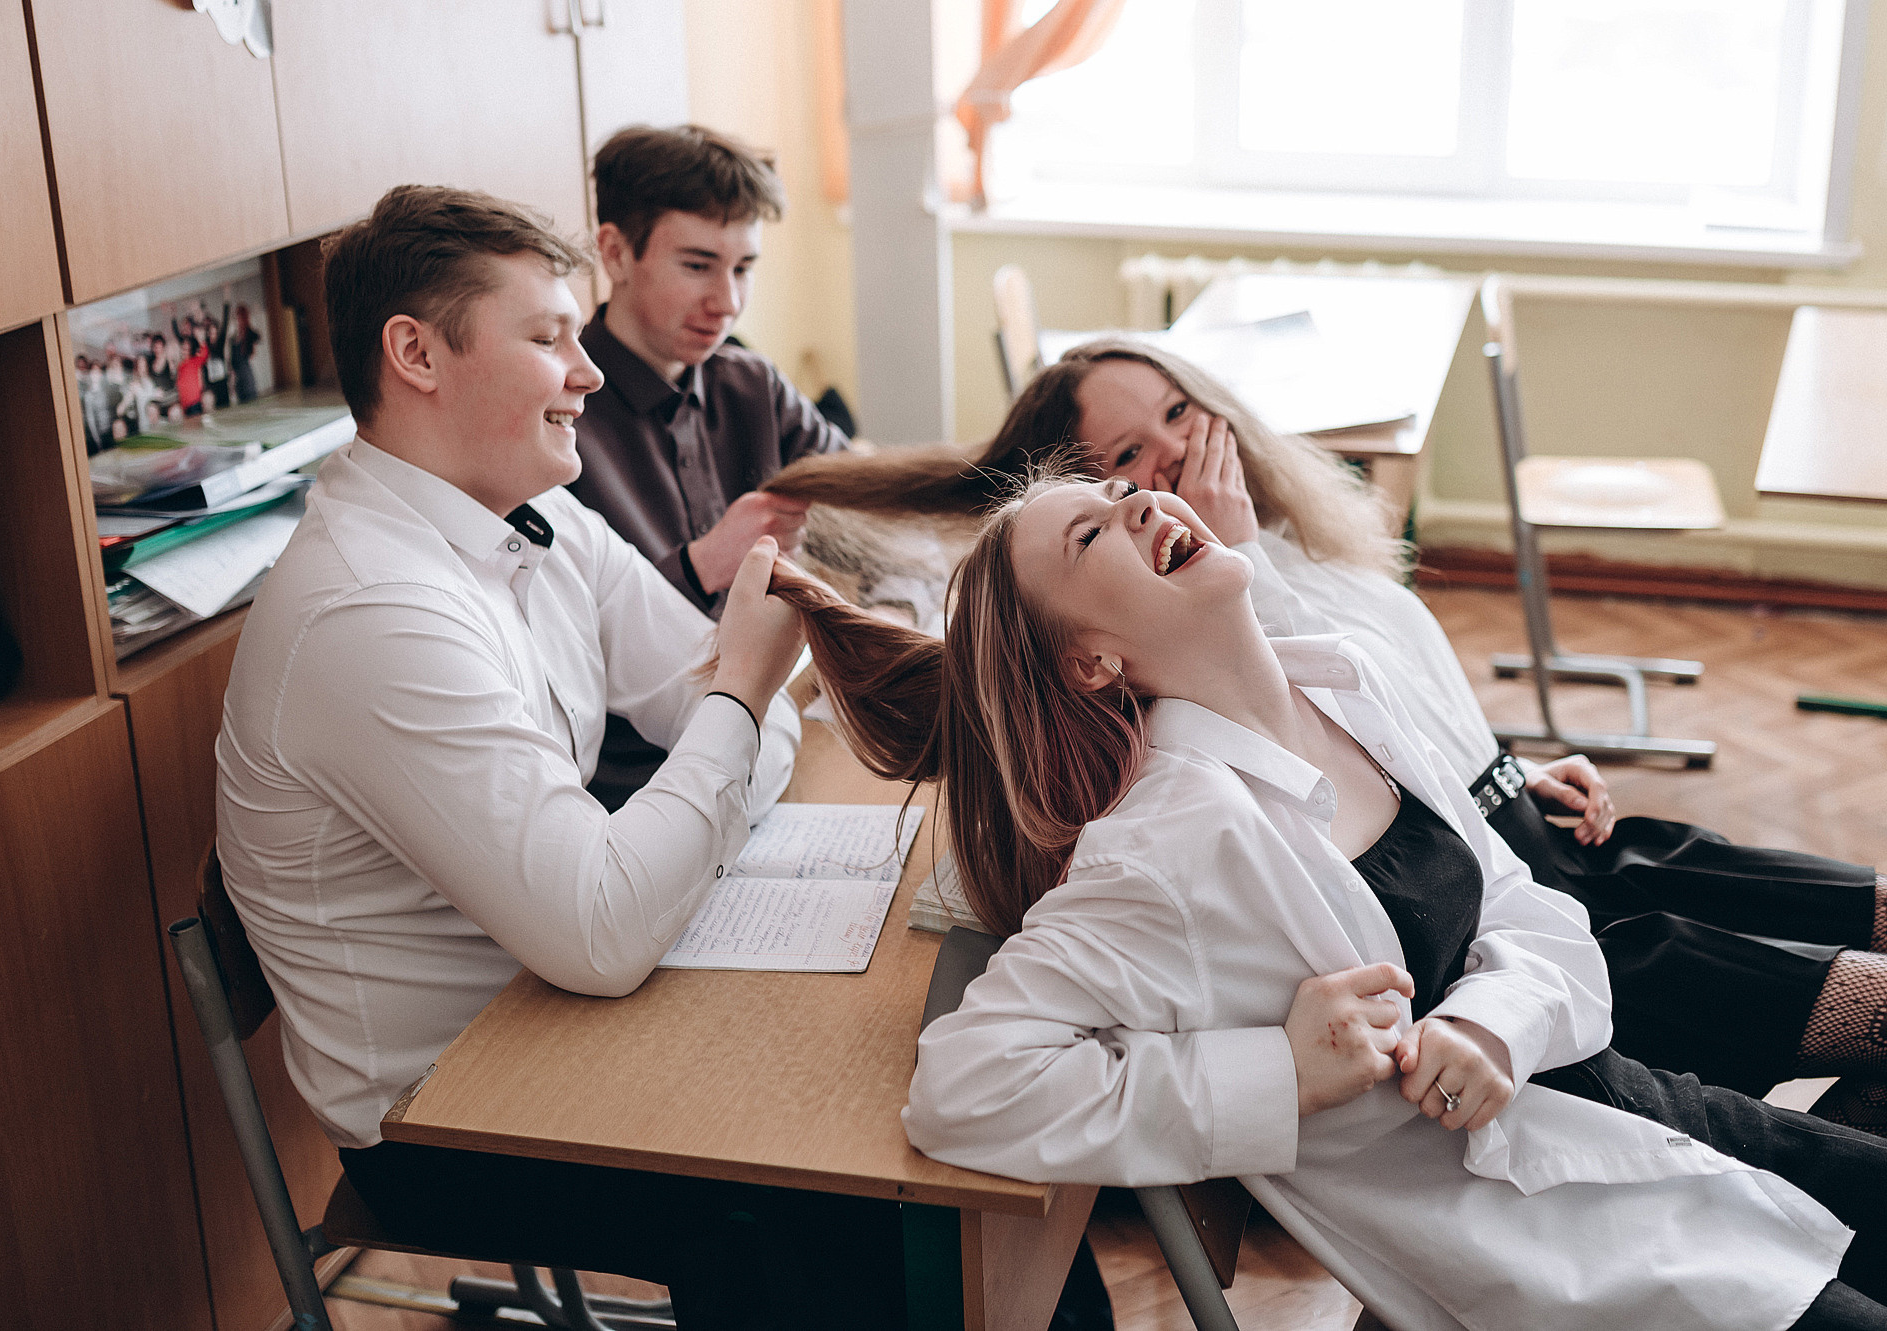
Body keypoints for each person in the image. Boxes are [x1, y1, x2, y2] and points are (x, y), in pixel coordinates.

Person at [776, 475, 1887, 1328]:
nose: (1139, 504)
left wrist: (1491, 1019)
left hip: (1643, 1108)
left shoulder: (1344, 679)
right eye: (1090, 535)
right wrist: (1279, 1075)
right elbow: (965, 1085)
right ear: (1090, 663)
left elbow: (1527, 903)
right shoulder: (1164, 852)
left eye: (1120, 494)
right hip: (1565, 1243)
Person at [766, 337, 1887, 1114]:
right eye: (1119, 463)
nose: (1165, 461)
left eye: (1173, 413)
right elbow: (1274, 706)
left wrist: (1507, 755)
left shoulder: (1279, 538)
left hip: (1505, 816)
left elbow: (1394, 699)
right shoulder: (1207, 591)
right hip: (1498, 896)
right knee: (1711, 956)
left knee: (1721, 868)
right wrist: (1236, 551)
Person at [214, 184, 902, 1329]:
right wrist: (732, 702)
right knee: (829, 1194)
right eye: (548, 337)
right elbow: (606, 916)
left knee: (883, 1097)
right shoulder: (369, 611)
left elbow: (743, 714)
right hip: (454, 1110)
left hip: (562, 1009)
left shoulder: (531, 513)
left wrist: (726, 716)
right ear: (416, 354)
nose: (586, 373)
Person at [566, 124, 851, 811]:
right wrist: (702, 563)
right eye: (698, 265)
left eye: (744, 267)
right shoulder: (558, 419)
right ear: (615, 252)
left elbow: (860, 498)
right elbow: (562, 649)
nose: (727, 301)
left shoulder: (749, 382)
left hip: (768, 724)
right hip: (638, 786)